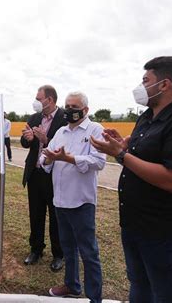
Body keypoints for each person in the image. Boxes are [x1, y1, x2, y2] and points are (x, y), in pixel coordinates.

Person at [91, 56, 172, 302]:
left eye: (145, 80)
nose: (140, 86)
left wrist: (120, 154)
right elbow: (138, 150)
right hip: (134, 226)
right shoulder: (148, 116)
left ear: (164, 85)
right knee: (139, 286)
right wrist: (120, 143)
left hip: (164, 233)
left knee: (167, 294)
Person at [41, 91, 105, 302]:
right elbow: (45, 157)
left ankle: (95, 297)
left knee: (88, 252)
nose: (69, 111)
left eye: (74, 107)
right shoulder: (61, 131)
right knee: (68, 247)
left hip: (81, 201)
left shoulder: (95, 130)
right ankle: (71, 285)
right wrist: (49, 159)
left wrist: (68, 158)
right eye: (67, 106)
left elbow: (98, 162)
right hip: (60, 200)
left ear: (85, 110)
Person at [20, 85, 65, 271]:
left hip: (54, 175)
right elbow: (24, 143)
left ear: (50, 100)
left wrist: (46, 139)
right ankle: (36, 249)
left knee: (56, 216)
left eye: (39, 99)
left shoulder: (63, 119)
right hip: (35, 173)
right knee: (36, 213)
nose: (36, 102)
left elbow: (65, 146)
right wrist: (28, 138)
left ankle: (58, 254)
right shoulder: (34, 117)